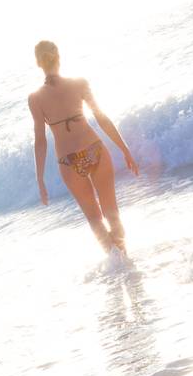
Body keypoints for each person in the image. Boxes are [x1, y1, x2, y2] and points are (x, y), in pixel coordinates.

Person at [28, 41, 139, 250]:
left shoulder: (35, 98)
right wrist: (125, 150)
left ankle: (117, 266)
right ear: (58, 56)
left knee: (95, 221)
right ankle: (127, 262)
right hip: (94, 149)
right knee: (112, 213)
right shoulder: (79, 83)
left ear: (38, 62)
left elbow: (40, 141)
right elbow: (101, 118)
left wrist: (40, 178)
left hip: (69, 162)